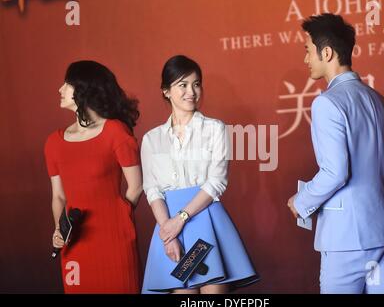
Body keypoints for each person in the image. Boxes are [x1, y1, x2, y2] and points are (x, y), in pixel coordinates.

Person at [287, 14, 384, 294]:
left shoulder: (327, 103)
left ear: (327, 52)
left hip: (347, 238)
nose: (306, 59)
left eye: (308, 51)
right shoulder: (376, 99)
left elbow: (336, 172)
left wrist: (302, 200)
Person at [141, 55, 258, 294]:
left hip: (207, 221)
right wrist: (168, 231)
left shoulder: (215, 129)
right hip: (170, 228)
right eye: (182, 85)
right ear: (166, 91)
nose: (191, 92)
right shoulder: (152, 139)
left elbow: (217, 181)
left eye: (196, 84)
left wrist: (180, 219)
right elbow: (152, 189)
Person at [44, 60, 142, 293]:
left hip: (114, 240)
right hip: (76, 243)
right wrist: (60, 230)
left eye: (67, 84)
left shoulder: (115, 132)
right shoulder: (53, 143)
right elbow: (58, 196)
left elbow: (136, 186)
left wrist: (120, 216)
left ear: (85, 88)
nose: (60, 89)